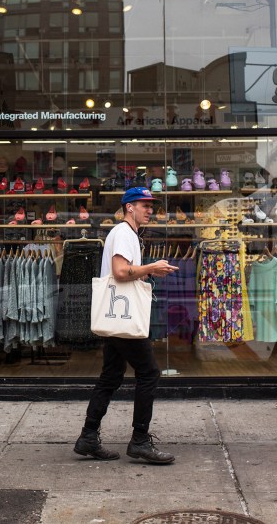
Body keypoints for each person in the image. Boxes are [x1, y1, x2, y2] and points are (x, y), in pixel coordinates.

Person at [74, 186, 179, 464]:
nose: (149, 210)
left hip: (115, 315)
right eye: (144, 205)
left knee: (111, 376)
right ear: (129, 206)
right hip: (122, 315)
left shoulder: (127, 234)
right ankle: (140, 441)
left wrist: (145, 273)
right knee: (149, 373)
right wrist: (151, 267)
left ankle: (88, 436)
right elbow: (121, 273)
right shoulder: (123, 233)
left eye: (151, 206)